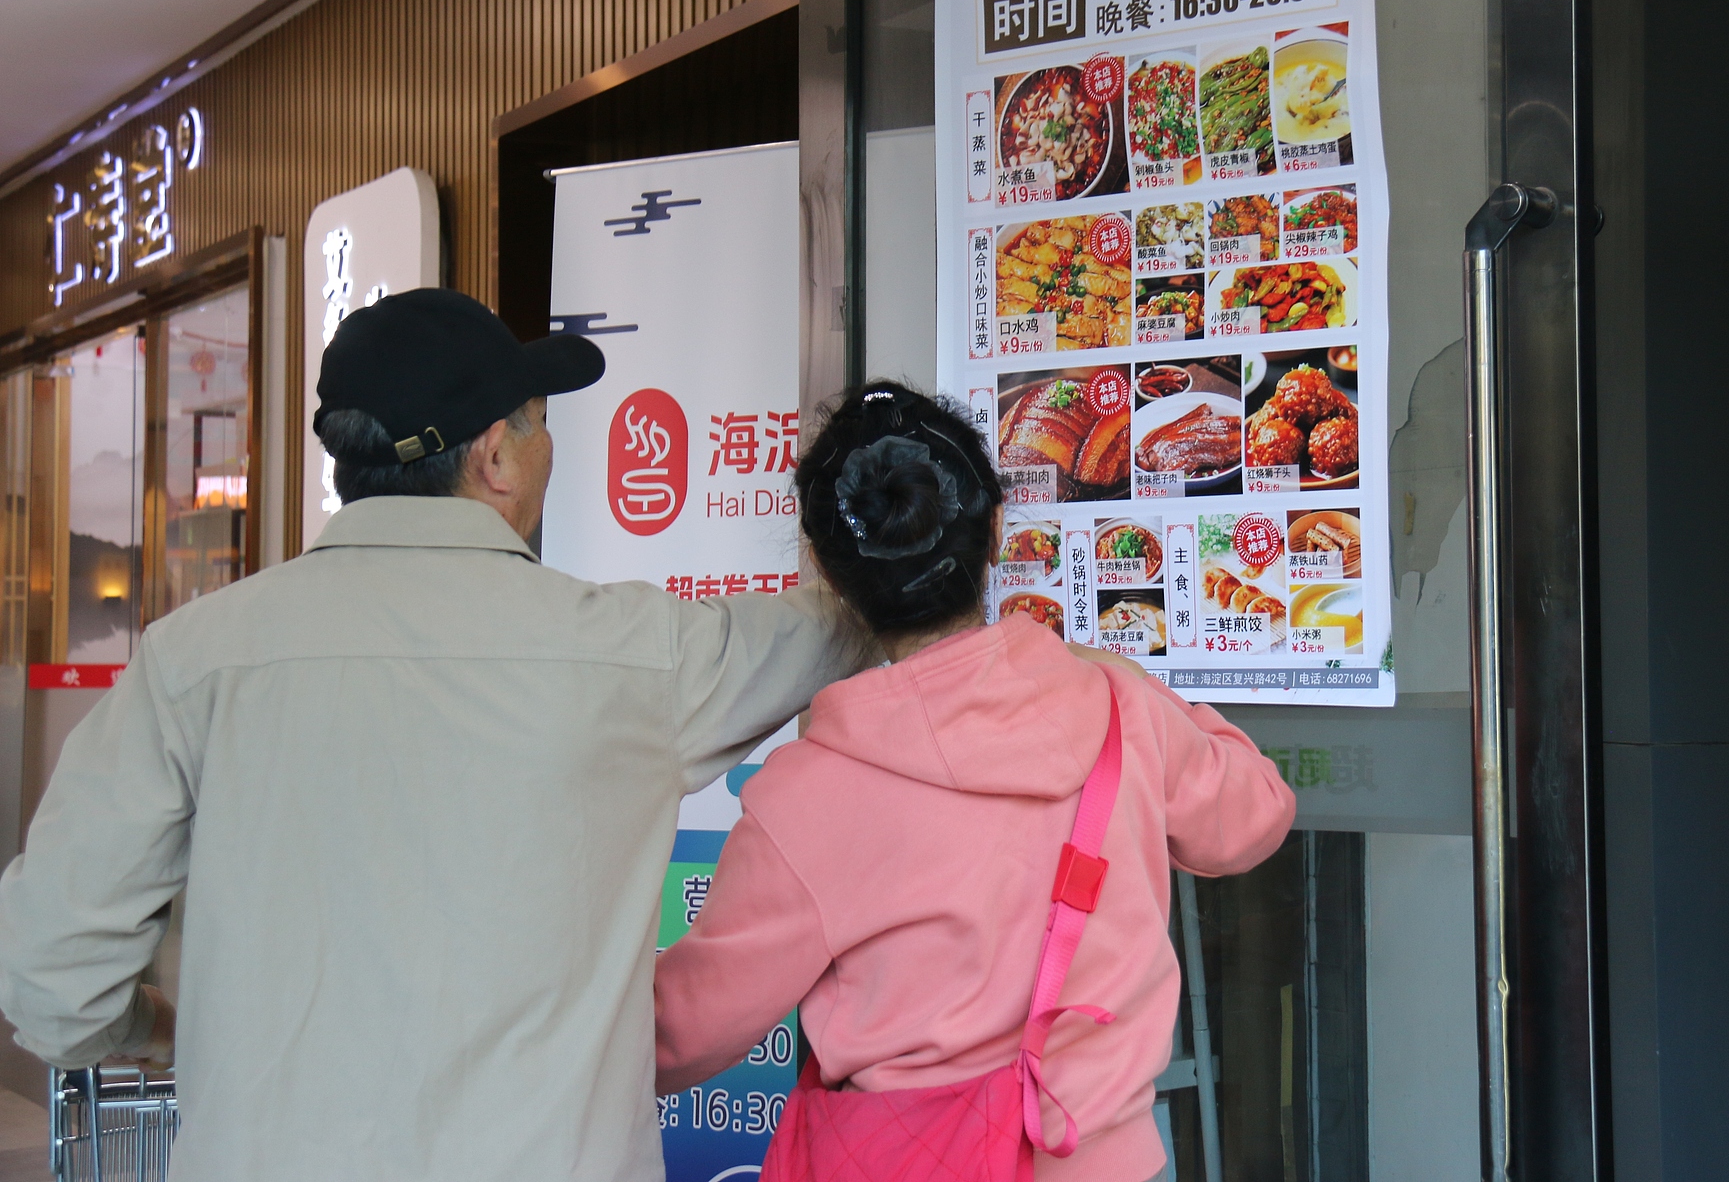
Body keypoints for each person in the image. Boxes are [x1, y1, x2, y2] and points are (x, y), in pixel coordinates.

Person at [0, 288, 874, 1181]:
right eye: (538, 423)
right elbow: (841, 623)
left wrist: (158, 1028)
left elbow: (51, 973)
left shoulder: (196, 659)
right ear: (496, 455)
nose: (547, 448)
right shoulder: (635, 656)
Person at [651, 382, 1296, 1180]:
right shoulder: (1119, 707)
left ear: (824, 568)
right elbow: (1257, 812)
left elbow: (676, 1033)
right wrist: (1131, 675)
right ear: (997, 529)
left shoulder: (801, 797)